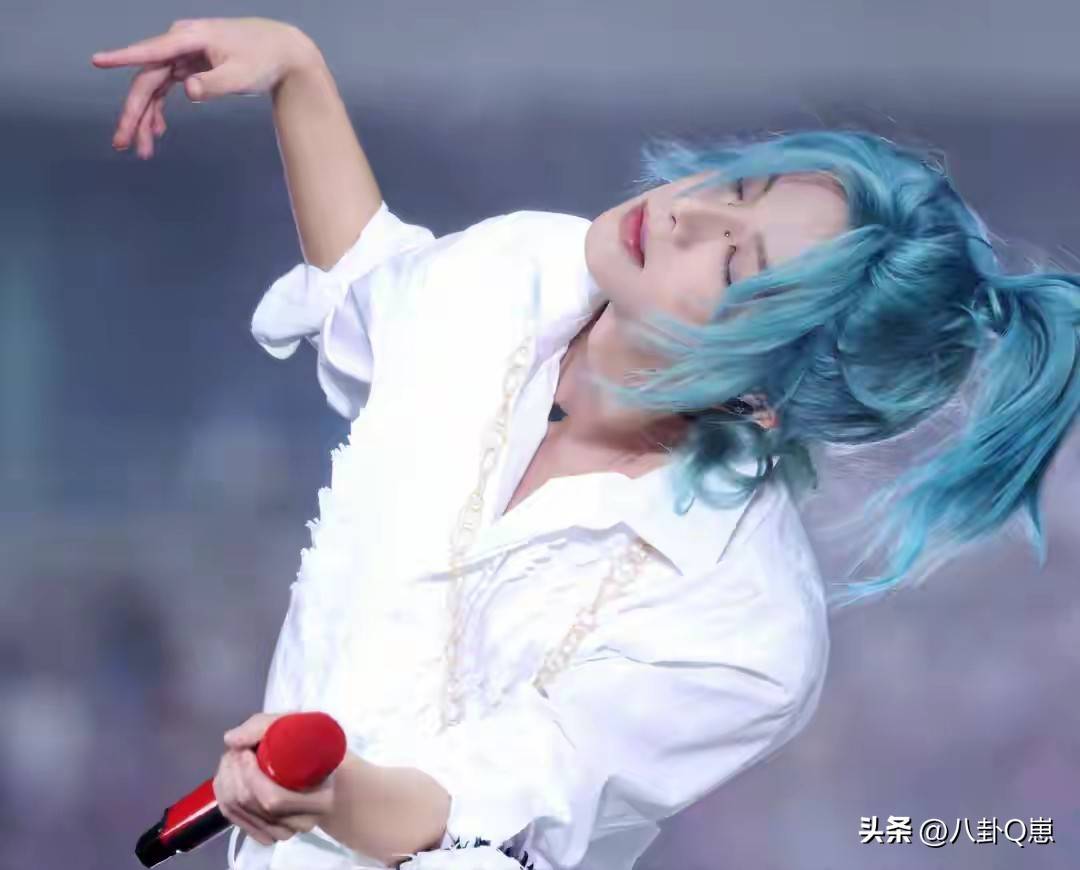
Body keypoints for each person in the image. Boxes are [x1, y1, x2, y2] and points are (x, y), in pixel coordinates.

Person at [92, 16, 1079, 870]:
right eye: (742, 188)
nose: (686, 209)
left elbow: (501, 799)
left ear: (772, 388)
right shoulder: (517, 268)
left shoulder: (745, 625)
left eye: (734, 264)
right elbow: (378, 294)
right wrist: (296, 69)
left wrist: (330, 793)